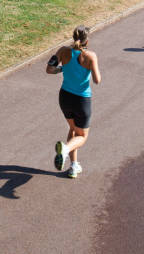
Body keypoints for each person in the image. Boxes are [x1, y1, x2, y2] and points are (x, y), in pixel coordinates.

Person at [46, 25, 101, 178]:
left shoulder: (63, 51)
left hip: (64, 98)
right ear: (87, 40)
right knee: (82, 136)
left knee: (73, 130)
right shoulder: (90, 56)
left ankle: (73, 166)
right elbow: (97, 80)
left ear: (73, 37)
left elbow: (49, 70)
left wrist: (63, 69)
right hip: (81, 101)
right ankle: (64, 150)